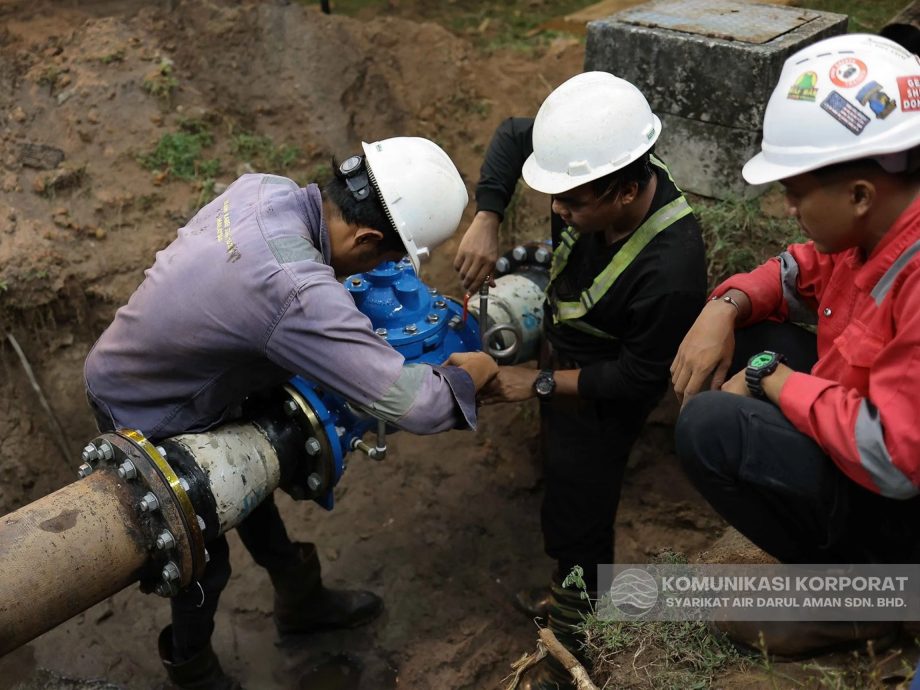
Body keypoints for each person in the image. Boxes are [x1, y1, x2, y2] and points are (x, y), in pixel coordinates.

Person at [83, 136, 498, 690]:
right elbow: (417, 405)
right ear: (369, 237)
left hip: (174, 373)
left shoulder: (267, 190)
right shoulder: (293, 291)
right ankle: (193, 669)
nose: (391, 268)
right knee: (203, 545)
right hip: (146, 404)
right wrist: (473, 375)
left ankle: (301, 601)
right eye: (393, 258)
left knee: (246, 483)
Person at [455, 72, 707, 689]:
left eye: (570, 205)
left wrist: (531, 384)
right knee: (564, 478)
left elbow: (637, 377)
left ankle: (578, 637)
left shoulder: (671, 268)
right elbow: (516, 137)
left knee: (584, 504)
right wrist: (488, 215)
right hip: (570, 350)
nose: (558, 211)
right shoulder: (589, 172)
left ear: (624, 194)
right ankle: (568, 593)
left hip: (607, 383)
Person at [672, 34, 920, 656]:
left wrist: (770, 379)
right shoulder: (875, 234)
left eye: (797, 192)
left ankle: (874, 596)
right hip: (879, 446)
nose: (788, 208)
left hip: (902, 493)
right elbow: (796, 271)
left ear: (860, 194)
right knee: (755, 330)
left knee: (710, 425)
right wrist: (722, 307)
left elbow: (893, 457)